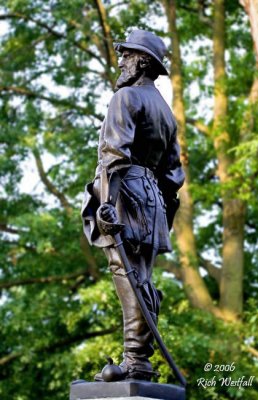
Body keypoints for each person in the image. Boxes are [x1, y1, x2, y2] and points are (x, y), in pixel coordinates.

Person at [81, 29, 185, 381]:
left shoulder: (124, 98)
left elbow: (114, 155)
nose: (121, 62)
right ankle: (138, 357)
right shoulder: (166, 112)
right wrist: (163, 216)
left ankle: (135, 359)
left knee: (125, 272)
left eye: (126, 56)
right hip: (152, 199)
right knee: (140, 277)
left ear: (142, 62)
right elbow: (173, 176)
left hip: (124, 192)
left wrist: (106, 205)